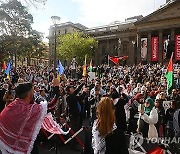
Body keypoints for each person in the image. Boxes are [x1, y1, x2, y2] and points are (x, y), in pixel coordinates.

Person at [0, 82, 47, 154]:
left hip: (12, 145)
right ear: (28, 95)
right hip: (20, 146)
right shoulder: (29, 109)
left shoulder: (11, 106)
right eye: (32, 91)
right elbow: (47, 106)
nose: (34, 92)